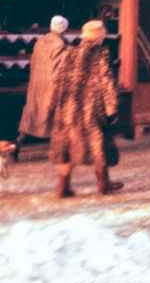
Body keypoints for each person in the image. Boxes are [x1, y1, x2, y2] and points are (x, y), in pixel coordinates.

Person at [49, 20, 123, 198]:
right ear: (99, 37)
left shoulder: (70, 52)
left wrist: (53, 103)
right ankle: (103, 183)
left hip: (69, 108)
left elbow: (57, 79)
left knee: (66, 147)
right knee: (98, 144)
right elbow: (106, 83)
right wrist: (112, 108)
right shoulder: (101, 55)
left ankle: (62, 187)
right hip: (91, 109)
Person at [13, 15, 70, 162]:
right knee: (55, 118)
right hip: (51, 87)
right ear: (64, 29)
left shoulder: (40, 41)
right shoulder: (59, 44)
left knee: (31, 119)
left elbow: (33, 62)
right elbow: (59, 69)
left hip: (37, 85)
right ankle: (59, 152)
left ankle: (16, 145)